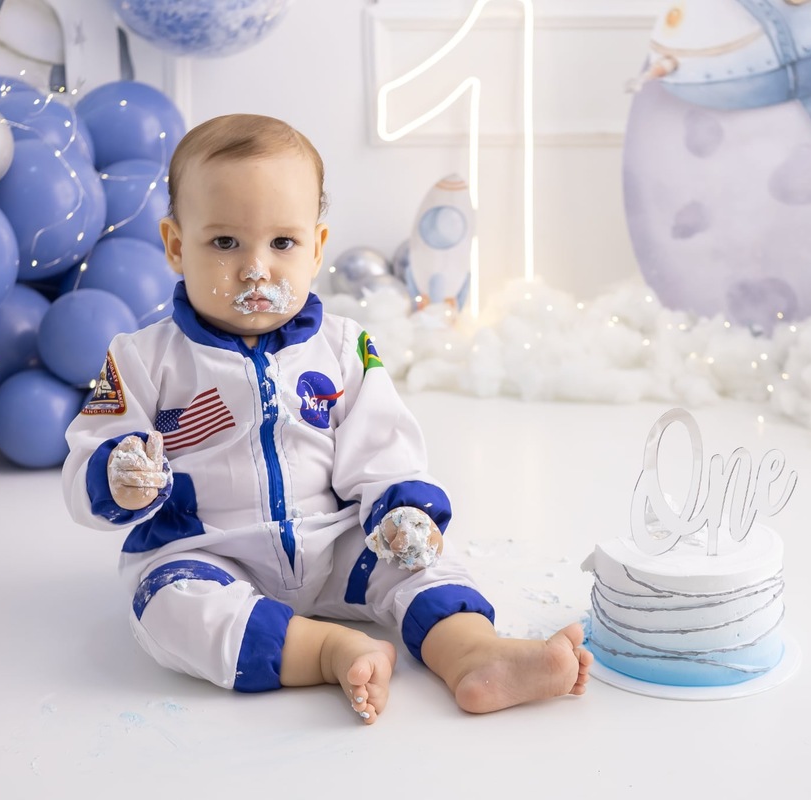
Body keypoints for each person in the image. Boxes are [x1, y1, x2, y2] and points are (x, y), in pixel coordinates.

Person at [62, 113, 591, 723]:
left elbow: (384, 446)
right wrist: (116, 475)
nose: (256, 268)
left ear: (316, 247)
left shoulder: (343, 348)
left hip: (336, 545)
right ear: (177, 246)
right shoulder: (141, 358)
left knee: (421, 560)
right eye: (225, 243)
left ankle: (473, 653)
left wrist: (400, 510)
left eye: (282, 244)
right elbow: (88, 456)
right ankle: (326, 650)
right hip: (208, 553)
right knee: (170, 606)